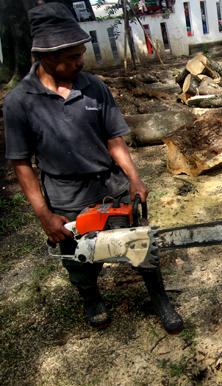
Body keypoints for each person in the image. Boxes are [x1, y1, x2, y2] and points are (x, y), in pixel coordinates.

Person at [3, 2, 183, 334]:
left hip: (109, 187)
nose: (79, 61)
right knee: (80, 260)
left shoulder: (93, 87)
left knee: (139, 245)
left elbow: (115, 139)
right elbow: (21, 164)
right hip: (65, 194)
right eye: (71, 57)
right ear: (46, 56)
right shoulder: (19, 103)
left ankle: (159, 298)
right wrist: (44, 214)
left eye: (80, 53)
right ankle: (91, 298)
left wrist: (134, 178)